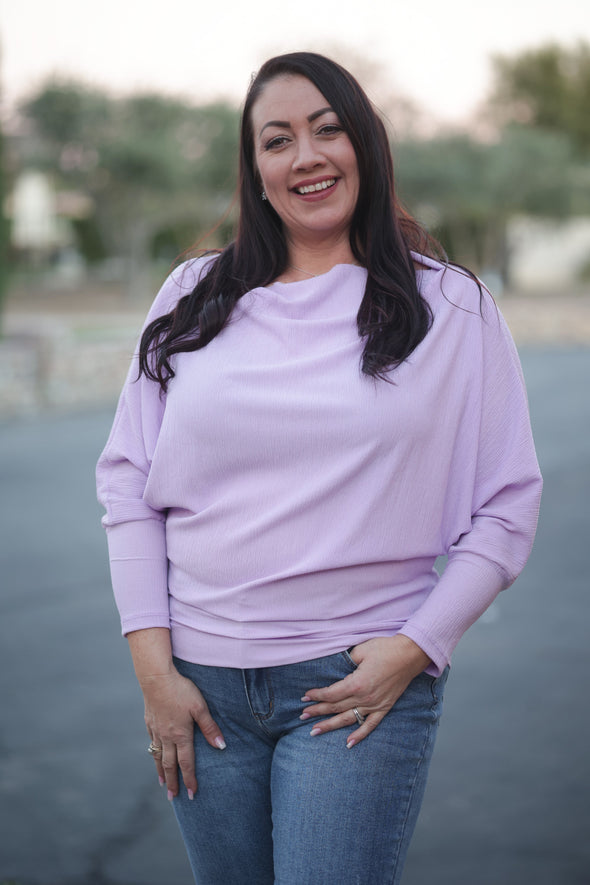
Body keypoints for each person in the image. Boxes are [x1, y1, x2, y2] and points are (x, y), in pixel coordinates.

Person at [96, 51, 542, 884]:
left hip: (354, 688)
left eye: (327, 130)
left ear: (366, 147)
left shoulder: (451, 307)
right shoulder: (191, 298)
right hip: (200, 687)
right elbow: (127, 482)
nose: (306, 156)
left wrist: (419, 644)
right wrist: (154, 672)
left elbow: (509, 502)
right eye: (278, 139)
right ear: (256, 170)